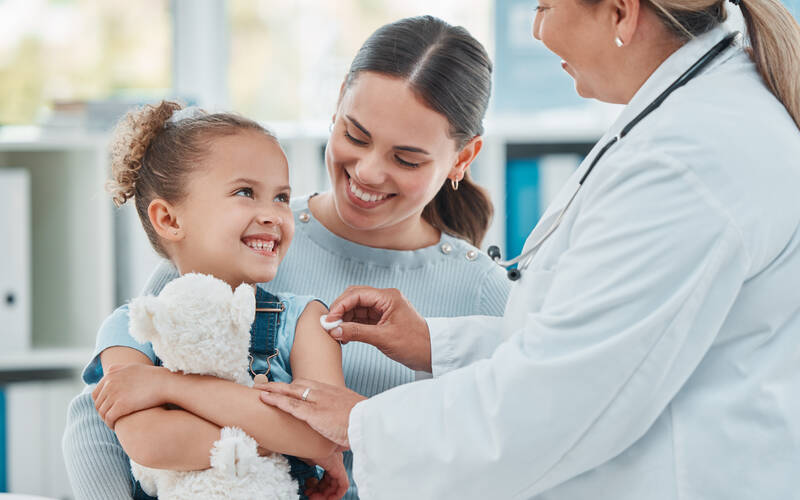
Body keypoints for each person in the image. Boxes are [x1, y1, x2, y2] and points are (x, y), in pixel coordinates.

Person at [257, 0, 800, 498]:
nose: (537, 30)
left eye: (543, 6)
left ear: (621, 13)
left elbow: (561, 397)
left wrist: (361, 424)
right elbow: (591, 343)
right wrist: (433, 343)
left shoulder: (688, 159)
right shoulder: (691, 123)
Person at [62, 15, 511, 500]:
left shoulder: (484, 293)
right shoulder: (241, 244)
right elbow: (98, 417)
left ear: (463, 158)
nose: (367, 171)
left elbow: (510, 454)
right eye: (355, 136)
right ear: (339, 101)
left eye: (406, 159)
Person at [69, 101, 349, 499]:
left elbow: (323, 435)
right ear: (169, 219)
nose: (273, 214)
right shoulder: (130, 328)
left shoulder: (306, 321)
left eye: (282, 197)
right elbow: (152, 444)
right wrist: (281, 439)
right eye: (245, 192)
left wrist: (168, 387)